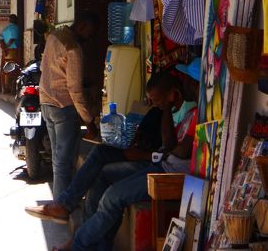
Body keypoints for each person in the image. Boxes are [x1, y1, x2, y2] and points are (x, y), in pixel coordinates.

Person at [29, 71, 197, 251]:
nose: (154, 104)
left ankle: (78, 244)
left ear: (174, 93)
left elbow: (179, 150)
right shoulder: (177, 112)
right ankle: (92, 241)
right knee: (103, 173)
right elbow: (169, 144)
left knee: (112, 197)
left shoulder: (194, 113)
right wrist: (164, 108)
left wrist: (155, 152)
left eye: (157, 99)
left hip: (170, 173)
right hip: (161, 165)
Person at [39, 10, 100, 201]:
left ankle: (61, 201)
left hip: (46, 102)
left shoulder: (54, 36)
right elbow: (74, 90)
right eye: (91, 32)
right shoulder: (73, 49)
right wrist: (88, 119)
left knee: (59, 160)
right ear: (82, 26)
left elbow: (44, 68)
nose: (90, 38)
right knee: (64, 161)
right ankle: (62, 204)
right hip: (63, 108)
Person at [0, 14, 20, 91]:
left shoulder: (5, 29)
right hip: (13, 51)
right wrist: (7, 47)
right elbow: (12, 40)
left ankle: (6, 86)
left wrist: (4, 48)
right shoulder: (16, 28)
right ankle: (12, 87)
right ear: (15, 20)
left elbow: (1, 40)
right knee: (13, 69)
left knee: (6, 68)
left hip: (5, 52)